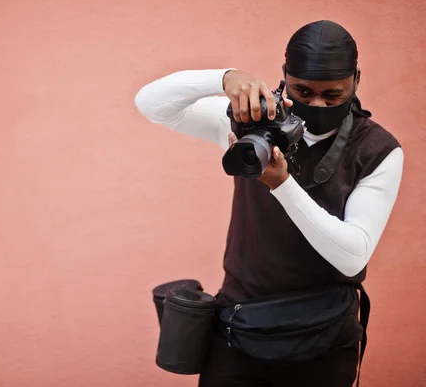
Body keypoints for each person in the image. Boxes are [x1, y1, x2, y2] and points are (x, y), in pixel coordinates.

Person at [134, 20, 404, 387]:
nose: (316, 104)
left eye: (333, 95)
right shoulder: (250, 121)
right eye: (303, 91)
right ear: (284, 77)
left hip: (325, 340)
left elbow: (352, 255)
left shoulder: (378, 150)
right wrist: (225, 78)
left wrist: (282, 184)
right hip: (240, 330)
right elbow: (150, 104)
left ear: (355, 80)